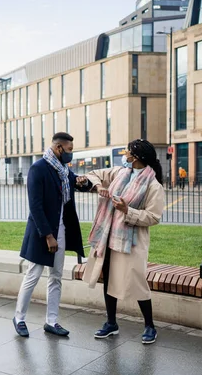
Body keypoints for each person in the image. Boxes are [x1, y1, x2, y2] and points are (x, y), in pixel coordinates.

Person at [79, 139, 165, 344]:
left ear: (136, 157)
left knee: (138, 282)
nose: (125, 153)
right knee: (108, 278)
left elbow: (153, 217)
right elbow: (93, 174)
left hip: (132, 241)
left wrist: (128, 211)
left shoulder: (153, 185)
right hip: (108, 236)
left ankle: (150, 326)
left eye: (129, 151)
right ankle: (111, 323)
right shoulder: (120, 173)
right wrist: (99, 186)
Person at [13, 132, 89, 338]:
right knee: (33, 275)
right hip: (43, 232)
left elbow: (74, 183)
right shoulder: (38, 169)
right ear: (58, 148)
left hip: (62, 229)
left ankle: (51, 321)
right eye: (70, 150)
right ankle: (19, 318)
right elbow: (35, 206)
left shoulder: (64, 170)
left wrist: (82, 182)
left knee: (56, 276)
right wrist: (48, 235)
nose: (71, 154)